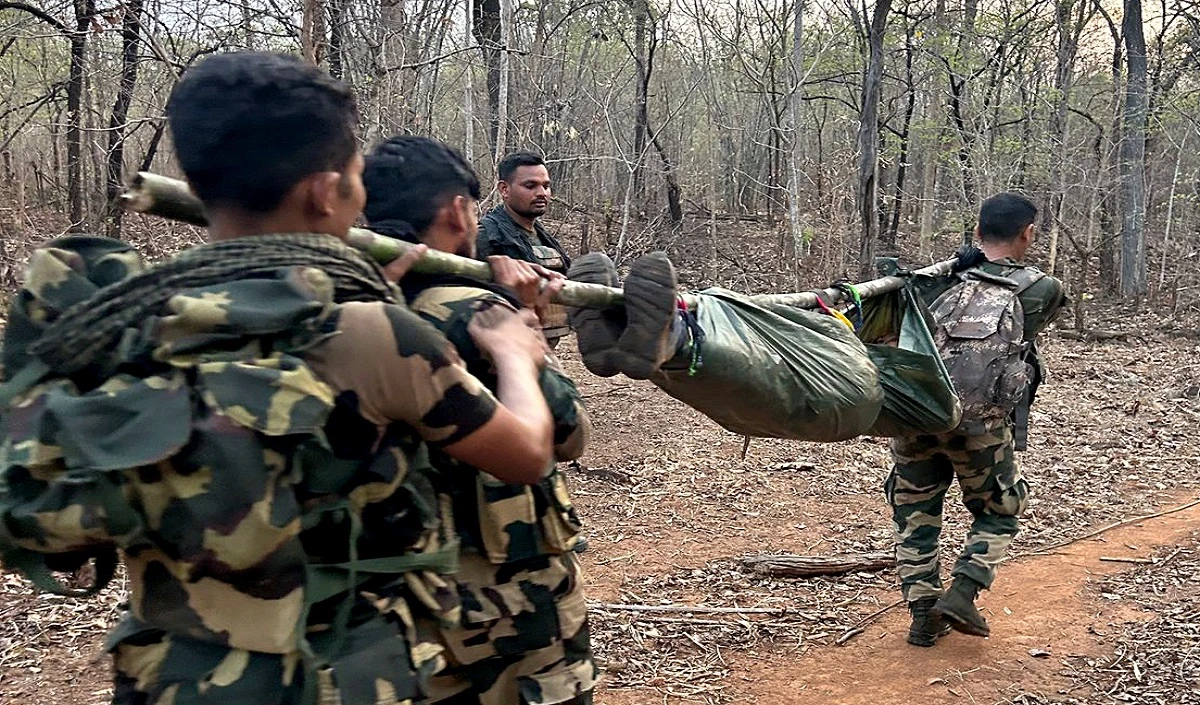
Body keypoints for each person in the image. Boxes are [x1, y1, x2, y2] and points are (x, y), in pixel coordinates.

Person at [0, 52, 555, 705]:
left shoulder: (132, 315)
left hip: (168, 675)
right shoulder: (376, 335)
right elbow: (527, 451)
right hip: (332, 677)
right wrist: (516, 350)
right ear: (325, 192)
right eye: (354, 177)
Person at [362, 135, 598, 705]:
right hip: (505, 601)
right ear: (458, 211)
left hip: (394, 611)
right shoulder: (475, 313)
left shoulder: (351, 307)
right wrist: (524, 324)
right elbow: (569, 433)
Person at [888, 192, 1068, 646]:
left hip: (918, 416)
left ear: (975, 232)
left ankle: (924, 616)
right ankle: (964, 592)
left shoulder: (932, 282)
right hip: (981, 427)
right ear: (1028, 234)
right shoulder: (1040, 287)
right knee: (1000, 508)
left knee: (914, 513)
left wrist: (958, 263)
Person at [476, 152, 573, 346]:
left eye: (546, 186)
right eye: (530, 186)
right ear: (504, 189)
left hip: (542, 344)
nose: (542, 193)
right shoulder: (486, 236)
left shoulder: (544, 237)